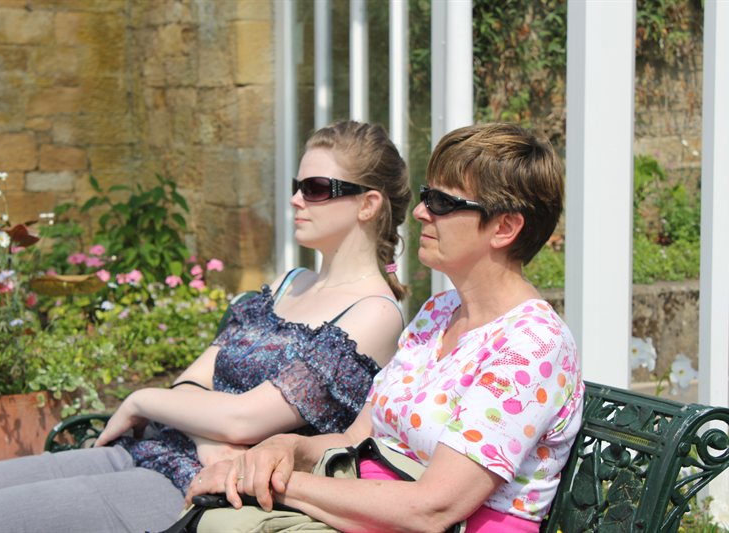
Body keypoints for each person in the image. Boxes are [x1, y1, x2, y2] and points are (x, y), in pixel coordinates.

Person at [0, 120, 412, 533]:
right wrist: (205, 436)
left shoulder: (373, 313)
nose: (295, 199)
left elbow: (246, 417)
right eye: (297, 184)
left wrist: (142, 399)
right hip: (160, 449)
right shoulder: (289, 283)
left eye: (314, 188)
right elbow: (193, 380)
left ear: (367, 204)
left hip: (202, 497)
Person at [188, 123, 584, 532]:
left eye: (442, 202)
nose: (419, 211)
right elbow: (356, 438)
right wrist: (286, 447)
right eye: (427, 195)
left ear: (504, 227)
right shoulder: (440, 311)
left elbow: (432, 509)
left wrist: (275, 485)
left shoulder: (532, 346)